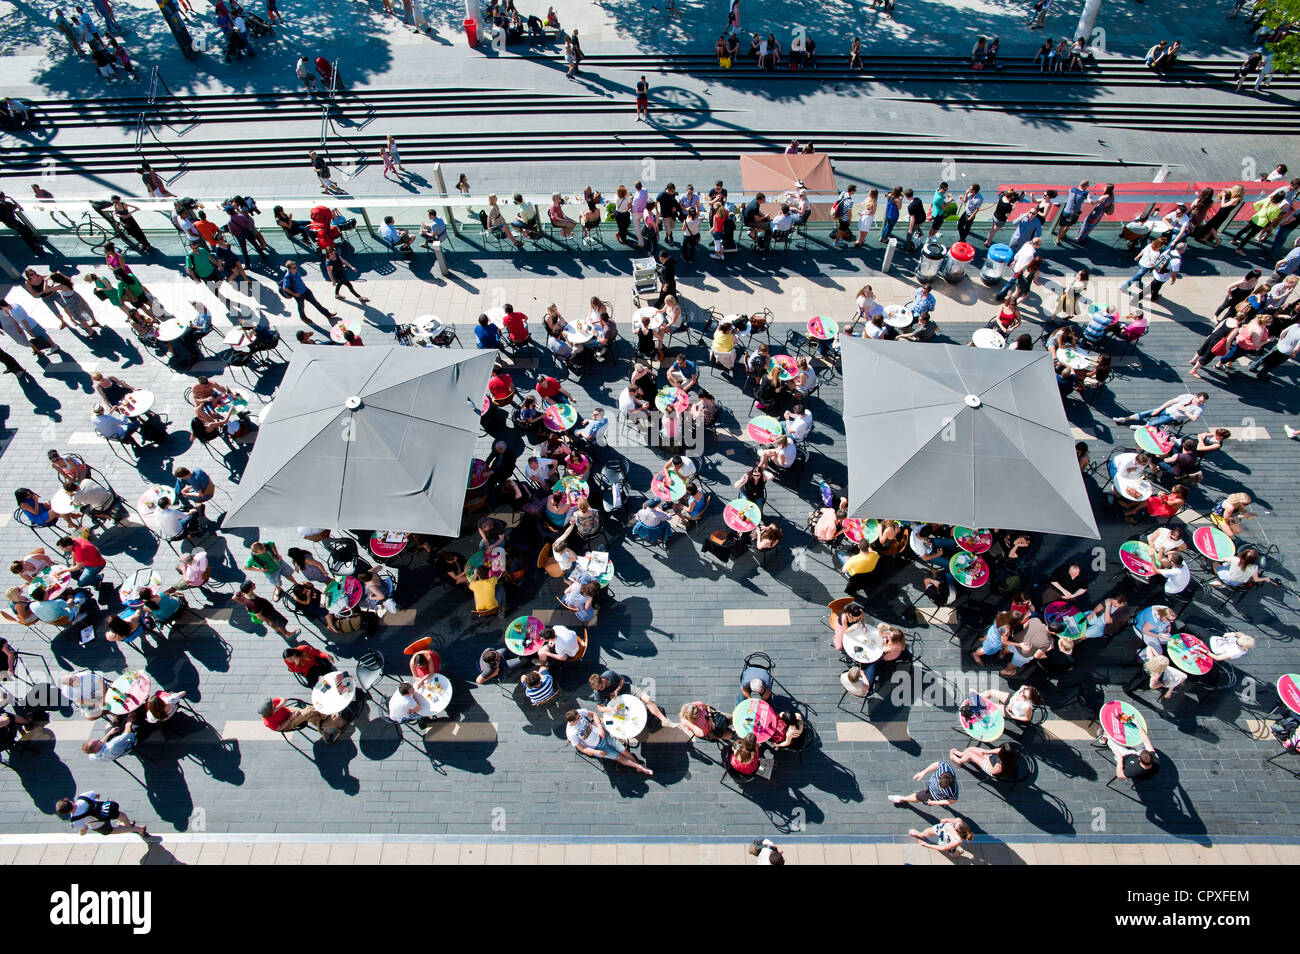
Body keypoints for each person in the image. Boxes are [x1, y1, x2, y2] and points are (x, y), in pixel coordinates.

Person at [56, 792, 147, 837]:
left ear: (66, 812)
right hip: (105, 810)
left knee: (111, 831)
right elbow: (97, 795)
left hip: (99, 824)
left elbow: (84, 830)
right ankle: (128, 824)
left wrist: (80, 833)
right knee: (119, 814)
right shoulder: (83, 796)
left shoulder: (75, 821)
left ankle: (138, 829)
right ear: (69, 801)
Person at [1113, 392, 1207, 429]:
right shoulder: (1187, 396)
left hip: (1173, 417)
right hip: (1167, 410)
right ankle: (1124, 419)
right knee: (1146, 413)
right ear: (1196, 396)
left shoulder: (1200, 408)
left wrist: (1185, 411)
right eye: (1200, 401)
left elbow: (1194, 419)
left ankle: (1141, 428)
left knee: (1155, 422)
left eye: (1202, 402)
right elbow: (1171, 401)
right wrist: (1160, 409)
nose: (1200, 403)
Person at [888, 760, 959, 807]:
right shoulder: (945, 767)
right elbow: (937, 764)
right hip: (931, 787)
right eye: (938, 783)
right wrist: (924, 772)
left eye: (942, 788)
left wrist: (936, 802)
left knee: (918, 796)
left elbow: (952, 801)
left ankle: (902, 799)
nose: (939, 787)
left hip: (933, 795)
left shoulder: (953, 791)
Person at [1214, 547, 1279, 589]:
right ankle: (1223, 583)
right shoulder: (1255, 567)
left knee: (1215, 563)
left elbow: (1222, 558)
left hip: (1226, 578)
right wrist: (1265, 578)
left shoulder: (1236, 559)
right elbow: (1256, 580)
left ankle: (1219, 580)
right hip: (1236, 583)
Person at [907, 819, 973, 857]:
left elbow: (943, 848)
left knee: (953, 854)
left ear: (958, 831)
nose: (953, 824)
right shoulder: (958, 822)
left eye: (954, 825)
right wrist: (946, 820)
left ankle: (958, 852)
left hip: (942, 834)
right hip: (941, 833)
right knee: (928, 831)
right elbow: (954, 819)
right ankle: (919, 834)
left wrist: (927, 845)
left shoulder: (957, 840)